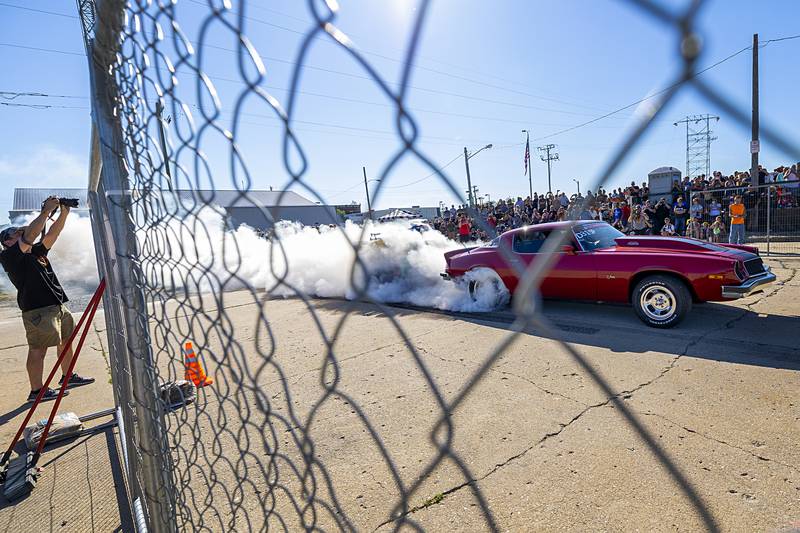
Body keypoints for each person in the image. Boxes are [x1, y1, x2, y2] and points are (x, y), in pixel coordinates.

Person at [0, 197, 95, 403]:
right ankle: (36, 392)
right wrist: (45, 212)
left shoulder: (34, 252)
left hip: (55, 305)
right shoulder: (10, 256)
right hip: (37, 309)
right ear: (7, 242)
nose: (20, 234)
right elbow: (31, 233)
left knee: (66, 341)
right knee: (38, 349)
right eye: (14, 234)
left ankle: (68, 377)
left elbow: (53, 233)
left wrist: (64, 212)